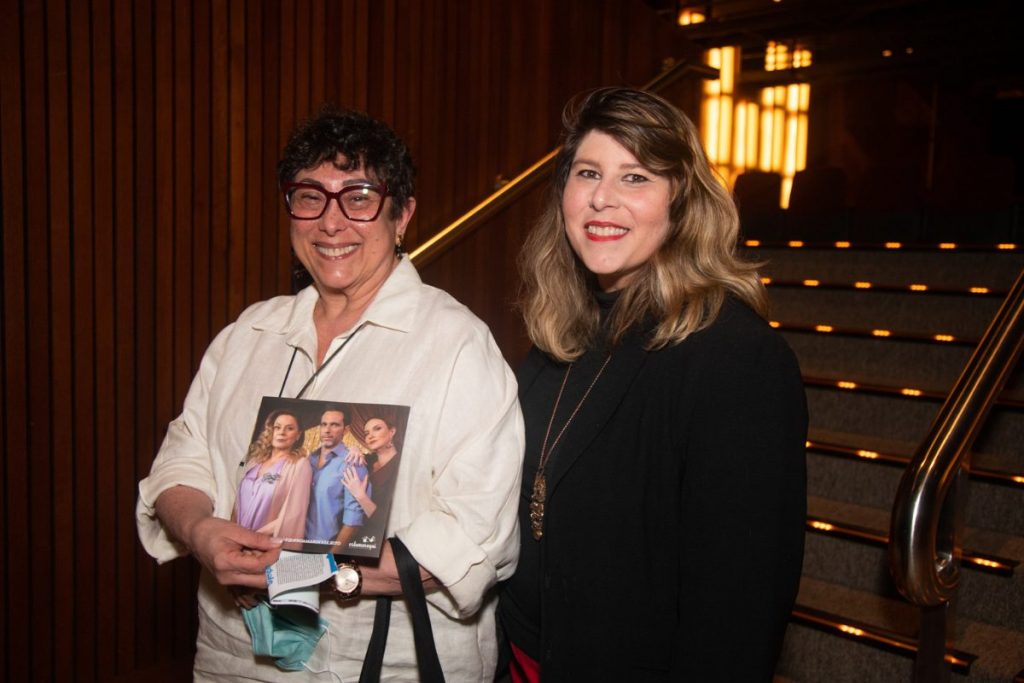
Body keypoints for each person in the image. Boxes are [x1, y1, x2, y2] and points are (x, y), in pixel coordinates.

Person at [136, 106, 524, 681]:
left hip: (382, 662)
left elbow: (472, 535)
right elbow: (184, 456)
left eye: (360, 196)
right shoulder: (248, 336)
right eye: (309, 196)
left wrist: (316, 574)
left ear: (403, 215)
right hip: (235, 660)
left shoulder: (455, 346)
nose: (331, 222)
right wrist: (199, 530)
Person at [498, 87, 807, 681]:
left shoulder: (737, 360)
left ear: (682, 204)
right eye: (587, 173)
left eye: (635, 178)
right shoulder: (556, 340)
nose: (602, 199)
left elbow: (740, 611)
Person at [234, 409, 312, 540]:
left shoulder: (300, 465)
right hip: (234, 540)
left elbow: (294, 514)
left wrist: (252, 537)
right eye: (277, 427)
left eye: (289, 428)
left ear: (298, 435)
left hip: (263, 544)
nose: (282, 432)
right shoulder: (254, 462)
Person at [304, 405, 370, 549]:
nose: (327, 430)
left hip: (326, 547)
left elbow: (353, 521)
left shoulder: (353, 463)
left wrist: (331, 558)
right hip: (296, 541)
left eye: (334, 425)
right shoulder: (308, 460)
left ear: (345, 430)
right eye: (324, 424)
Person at [341, 416, 401, 522]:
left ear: (392, 432)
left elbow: (386, 520)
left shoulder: (401, 465)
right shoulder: (367, 460)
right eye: (366, 433)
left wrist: (360, 495)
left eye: (377, 429)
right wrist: (354, 448)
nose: (370, 436)